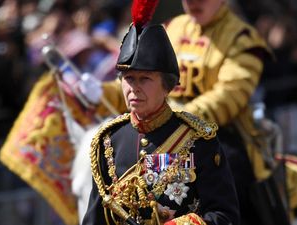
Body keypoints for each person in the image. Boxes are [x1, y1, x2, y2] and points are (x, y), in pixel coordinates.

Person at [81, 2, 240, 222]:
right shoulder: (108, 141)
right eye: (128, 79)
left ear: (167, 86)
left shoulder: (198, 140)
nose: (134, 88)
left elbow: (224, 215)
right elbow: (95, 218)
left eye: (145, 79)